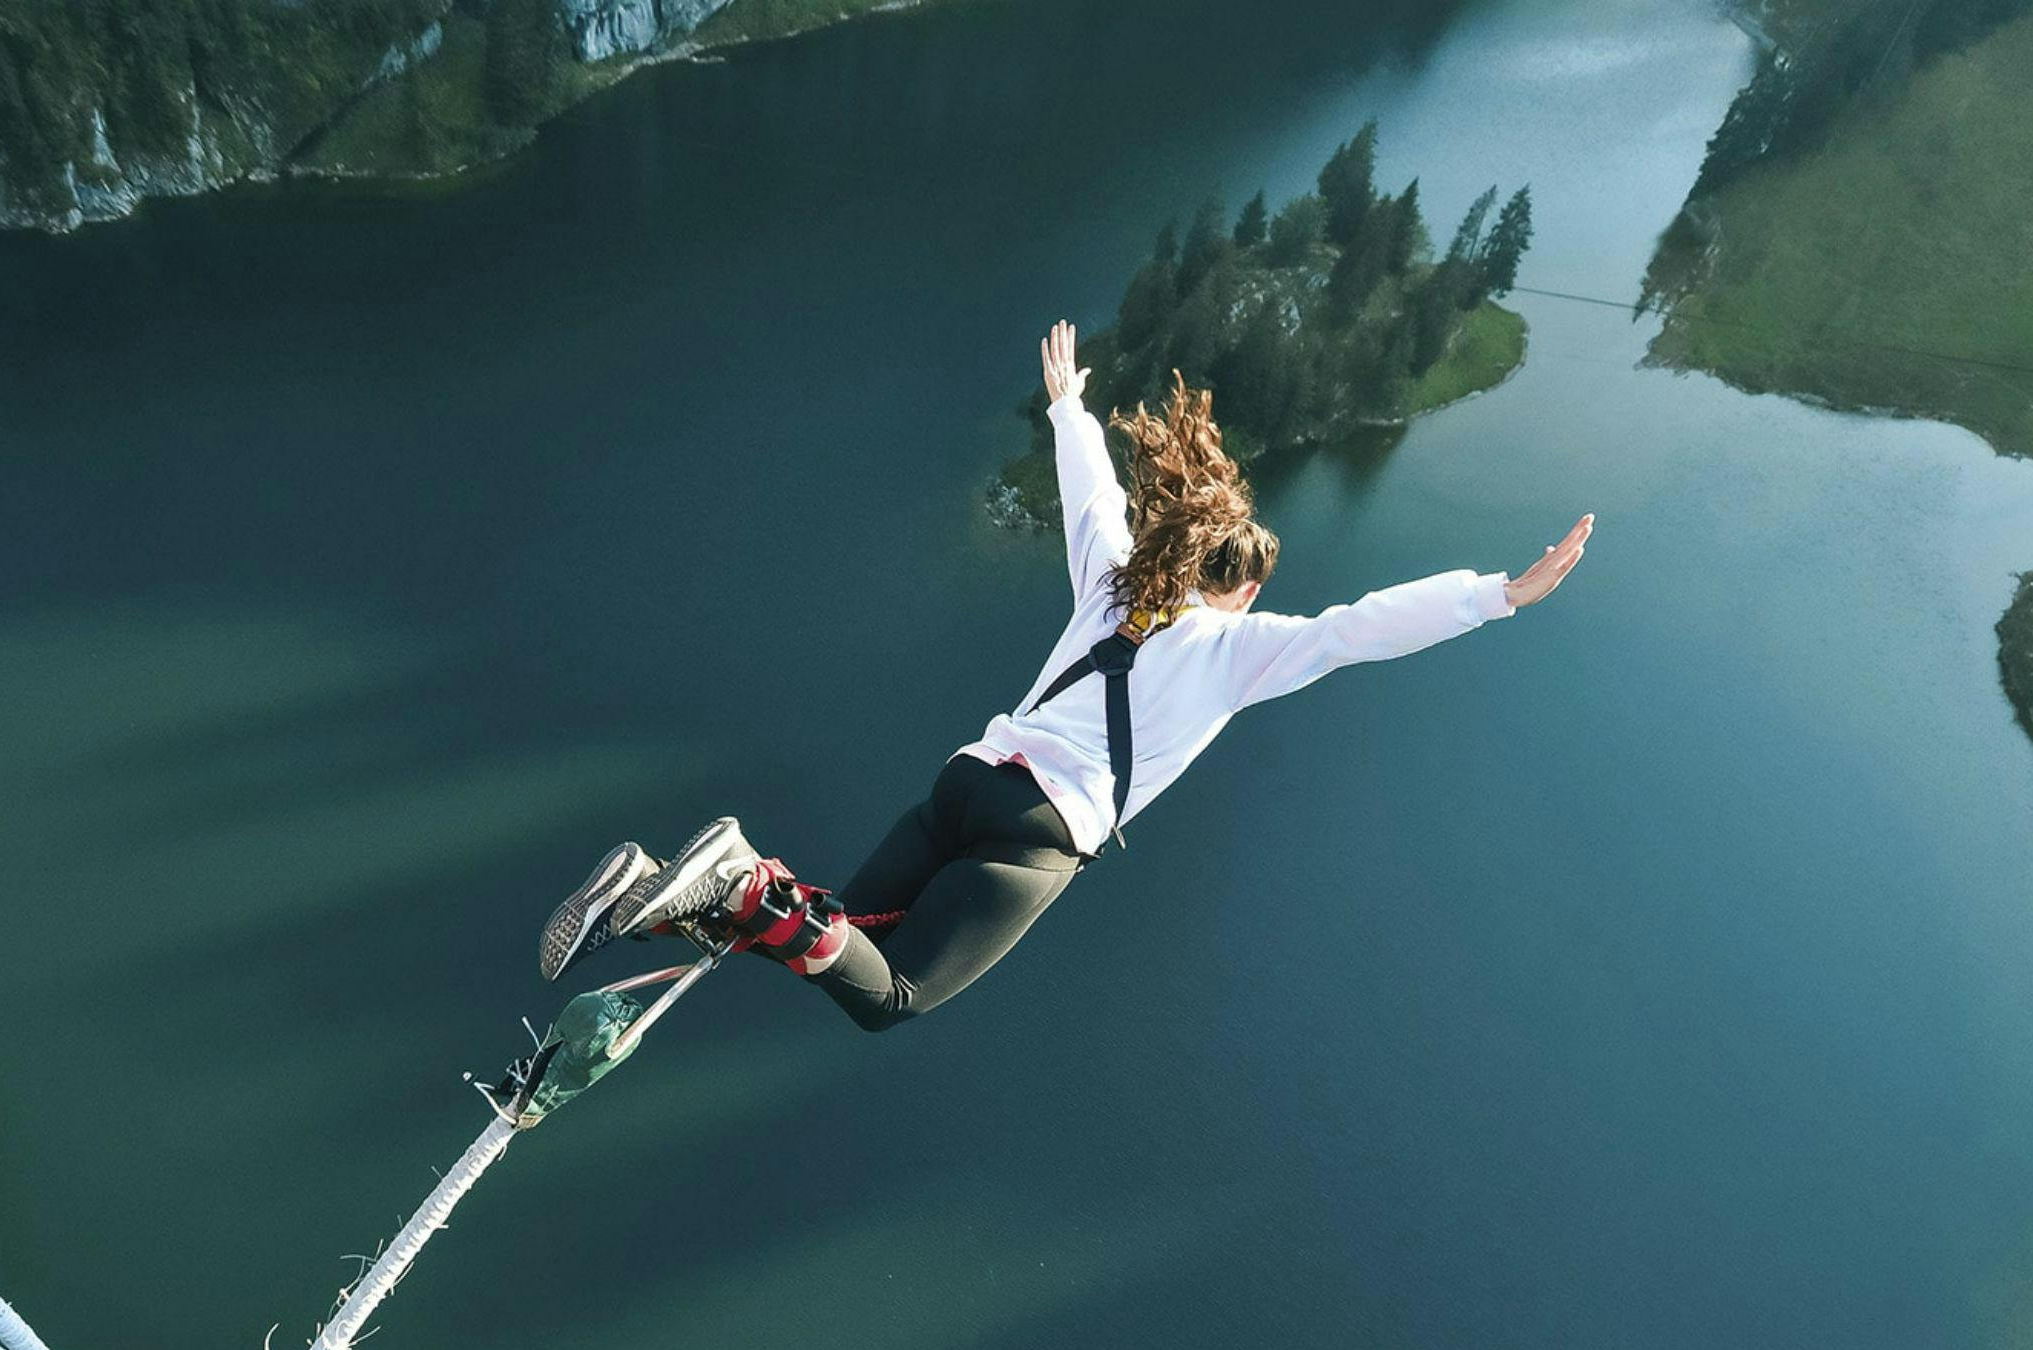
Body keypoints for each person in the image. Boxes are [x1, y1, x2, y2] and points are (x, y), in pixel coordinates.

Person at [538, 321, 1594, 1028]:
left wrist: (1068, 409)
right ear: (1238, 586)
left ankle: (673, 897)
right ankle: (740, 884)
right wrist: (1495, 594)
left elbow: (1094, 500)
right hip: (1039, 831)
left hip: (967, 779)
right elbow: (1356, 630)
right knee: (892, 996)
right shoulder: (1237, 649)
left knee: (836, 934)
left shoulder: (1113, 586)